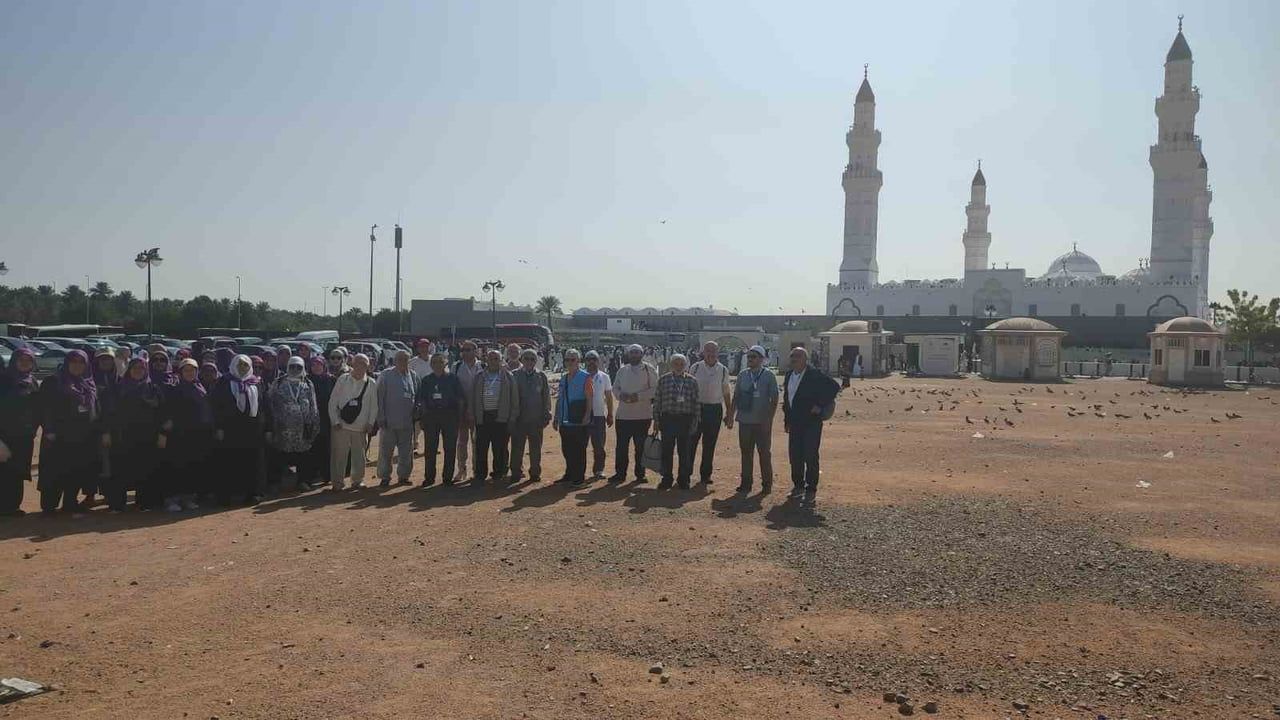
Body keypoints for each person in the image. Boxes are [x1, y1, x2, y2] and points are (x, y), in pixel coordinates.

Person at [38, 350, 108, 514]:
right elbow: (44, 408)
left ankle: (70, 502)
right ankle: (49, 506)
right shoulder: (53, 381)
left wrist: (99, 430)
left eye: (81, 362)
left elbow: (96, 410)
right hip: (58, 435)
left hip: (83, 436)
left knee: (76, 470)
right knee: (54, 471)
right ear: (67, 363)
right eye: (74, 362)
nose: (77, 365)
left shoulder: (89, 383)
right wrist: (49, 429)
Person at [781, 346, 840, 505]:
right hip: (795, 422)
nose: (794, 358)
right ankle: (798, 486)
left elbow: (834, 387)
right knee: (795, 455)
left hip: (811, 422)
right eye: (792, 355)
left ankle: (811, 488)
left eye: (798, 356)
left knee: (810, 455)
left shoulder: (814, 374)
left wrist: (820, 405)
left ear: (805, 359)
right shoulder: (789, 375)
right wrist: (787, 421)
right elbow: (787, 400)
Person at [210, 354, 268, 506]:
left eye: (246, 365)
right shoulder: (223, 382)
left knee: (252, 462)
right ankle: (226, 495)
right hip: (230, 430)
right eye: (240, 364)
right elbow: (216, 406)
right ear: (234, 365)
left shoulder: (256, 383)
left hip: (252, 430)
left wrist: (265, 427)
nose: (243, 368)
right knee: (229, 462)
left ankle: (253, 493)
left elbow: (263, 406)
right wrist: (219, 427)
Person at [163, 358, 213, 509]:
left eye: (192, 370)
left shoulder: (200, 387)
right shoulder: (176, 389)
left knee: (192, 466)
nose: (190, 373)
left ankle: (188, 498)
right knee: (178, 467)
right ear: (181, 373)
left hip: (197, 434)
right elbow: (172, 412)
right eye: (186, 370)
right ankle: (173, 499)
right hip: (180, 435)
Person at [268, 356, 320, 490]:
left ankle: (303, 481)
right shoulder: (278, 382)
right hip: (283, 428)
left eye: (299, 367)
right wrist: (272, 426)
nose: (295, 369)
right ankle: (276, 483)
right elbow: (270, 403)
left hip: (302, 429)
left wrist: (313, 425)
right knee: (280, 456)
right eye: (292, 366)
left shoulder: (308, 383)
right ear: (287, 367)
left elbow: (313, 405)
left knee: (303, 456)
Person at [328, 353, 378, 491]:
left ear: (368, 366)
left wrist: (370, 423)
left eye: (364, 364)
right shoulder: (343, 380)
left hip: (361, 427)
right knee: (339, 455)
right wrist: (335, 420)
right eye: (358, 363)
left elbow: (374, 406)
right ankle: (337, 482)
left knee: (359, 457)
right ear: (352, 364)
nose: (360, 366)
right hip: (341, 426)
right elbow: (333, 402)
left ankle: (357, 480)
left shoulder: (372, 383)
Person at [0, 349, 41, 515]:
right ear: (14, 361)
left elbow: (39, 409)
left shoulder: (32, 382)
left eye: (28, 360)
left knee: (18, 472)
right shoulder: (3, 381)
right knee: (3, 472)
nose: (24, 363)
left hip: (25, 436)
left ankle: (13, 506)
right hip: (4, 436)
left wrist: (34, 428)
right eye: (21, 360)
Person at [733, 345, 779, 494]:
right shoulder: (742, 375)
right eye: (749, 357)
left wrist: (769, 419)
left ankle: (767, 485)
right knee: (746, 453)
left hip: (762, 422)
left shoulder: (769, 376)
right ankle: (746, 484)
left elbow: (774, 398)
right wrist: (730, 416)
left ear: (761, 359)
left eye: (753, 357)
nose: (750, 359)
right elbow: (736, 396)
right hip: (745, 421)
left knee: (764, 453)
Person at [468, 349, 518, 485]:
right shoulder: (479, 376)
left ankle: (499, 472)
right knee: (481, 447)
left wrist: (512, 416)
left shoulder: (508, 376)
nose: (494, 361)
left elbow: (514, 399)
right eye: (491, 359)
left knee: (499, 447)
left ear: (501, 360)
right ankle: (480, 473)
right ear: (486, 360)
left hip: (500, 416)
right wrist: (472, 414)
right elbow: (472, 397)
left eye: (496, 359)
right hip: (483, 416)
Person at [609, 344, 658, 484]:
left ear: (641, 354)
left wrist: (638, 396)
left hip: (642, 416)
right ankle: (620, 474)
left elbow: (655, 389)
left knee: (640, 447)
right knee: (621, 447)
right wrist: (621, 396)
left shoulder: (649, 369)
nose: (634, 355)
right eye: (632, 353)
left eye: (637, 352)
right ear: (628, 355)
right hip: (623, 416)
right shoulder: (622, 370)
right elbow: (615, 388)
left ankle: (640, 474)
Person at [688, 341, 733, 485]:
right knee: (691, 443)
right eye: (708, 350)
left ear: (717, 352)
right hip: (696, 409)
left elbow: (726, 392)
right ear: (703, 352)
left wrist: (729, 413)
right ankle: (686, 474)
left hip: (714, 410)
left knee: (709, 444)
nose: (711, 353)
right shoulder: (695, 368)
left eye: (714, 350)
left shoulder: (723, 370)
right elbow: (688, 390)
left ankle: (705, 475)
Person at [416, 352, 464, 486]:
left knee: (450, 448)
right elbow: (422, 400)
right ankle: (429, 477)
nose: (438, 365)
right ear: (431, 365)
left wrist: (459, 417)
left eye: (440, 362)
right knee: (430, 449)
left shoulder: (453, 379)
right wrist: (423, 417)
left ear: (446, 363)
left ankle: (447, 478)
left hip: (450, 416)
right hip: (431, 416)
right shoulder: (426, 380)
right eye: (435, 362)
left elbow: (460, 399)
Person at [653, 353, 699, 490]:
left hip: (685, 419)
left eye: (681, 364)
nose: (679, 366)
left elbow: (696, 403)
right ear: (671, 365)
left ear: (685, 365)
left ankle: (683, 479)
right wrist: (656, 420)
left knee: (684, 451)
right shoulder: (663, 380)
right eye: (676, 364)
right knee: (667, 451)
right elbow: (657, 401)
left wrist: (695, 420)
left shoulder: (692, 381)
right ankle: (666, 478)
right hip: (667, 419)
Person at [375, 350, 419, 487]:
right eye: (399, 359)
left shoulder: (413, 376)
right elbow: (379, 397)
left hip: (407, 421)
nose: (402, 362)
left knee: (406, 452)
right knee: (386, 452)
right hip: (389, 421)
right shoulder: (386, 375)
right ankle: (385, 477)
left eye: (405, 359)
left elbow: (416, 397)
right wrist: (381, 417)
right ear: (394, 361)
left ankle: (404, 476)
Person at [509, 348, 551, 483]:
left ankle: (535, 473)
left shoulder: (541, 376)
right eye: (526, 358)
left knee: (536, 448)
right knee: (517, 447)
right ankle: (515, 472)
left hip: (536, 418)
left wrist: (546, 413)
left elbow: (546, 397)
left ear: (536, 361)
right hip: (519, 418)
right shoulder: (514, 375)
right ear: (521, 359)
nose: (529, 361)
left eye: (532, 359)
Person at [553, 349, 593, 486]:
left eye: (573, 359)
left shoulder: (585, 377)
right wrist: (556, 417)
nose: (570, 362)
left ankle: (579, 478)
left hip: (579, 419)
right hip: (565, 420)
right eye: (567, 360)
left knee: (579, 450)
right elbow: (560, 398)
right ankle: (569, 474)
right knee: (567, 449)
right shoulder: (564, 377)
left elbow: (589, 398)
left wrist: (587, 415)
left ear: (579, 361)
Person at [452, 341, 483, 482]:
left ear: (476, 351)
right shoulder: (456, 367)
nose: (465, 352)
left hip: (478, 410)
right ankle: (461, 469)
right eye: (463, 350)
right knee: (461, 442)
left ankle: (477, 470)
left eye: (469, 350)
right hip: (461, 411)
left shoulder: (483, 367)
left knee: (477, 441)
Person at [583, 350, 614, 480]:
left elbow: (609, 396)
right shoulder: (581, 376)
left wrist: (610, 414)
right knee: (580, 444)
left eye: (594, 359)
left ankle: (599, 470)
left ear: (598, 361)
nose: (591, 362)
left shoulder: (604, 376)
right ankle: (579, 470)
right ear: (585, 361)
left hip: (599, 415)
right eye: (589, 359)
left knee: (599, 444)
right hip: (583, 415)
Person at [305, 356, 335, 488]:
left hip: (326, 419)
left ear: (324, 366)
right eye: (314, 365)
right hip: (311, 419)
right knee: (311, 449)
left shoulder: (330, 380)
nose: (316, 368)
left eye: (319, 365)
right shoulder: (306, 381)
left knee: (326, 448)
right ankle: (309, 477)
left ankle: (327, 475)